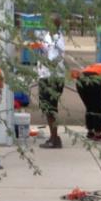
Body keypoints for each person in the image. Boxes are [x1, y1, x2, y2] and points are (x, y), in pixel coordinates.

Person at [37, 16, 67, 149]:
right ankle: (53, 137)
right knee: (46, 107)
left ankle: (54, 139)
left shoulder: (59, 40)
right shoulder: (46, 36)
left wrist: (47, 63)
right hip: (44, 76)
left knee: (50, 108)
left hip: (53, 78)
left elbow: (57, 58)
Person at [72, 62, 101, 142]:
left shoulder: (95, 66)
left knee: (89, 107)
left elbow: (82, 74)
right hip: (95, 81)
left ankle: (90, 132)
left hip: (81, 80)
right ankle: (98, 135)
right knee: (98, 109)